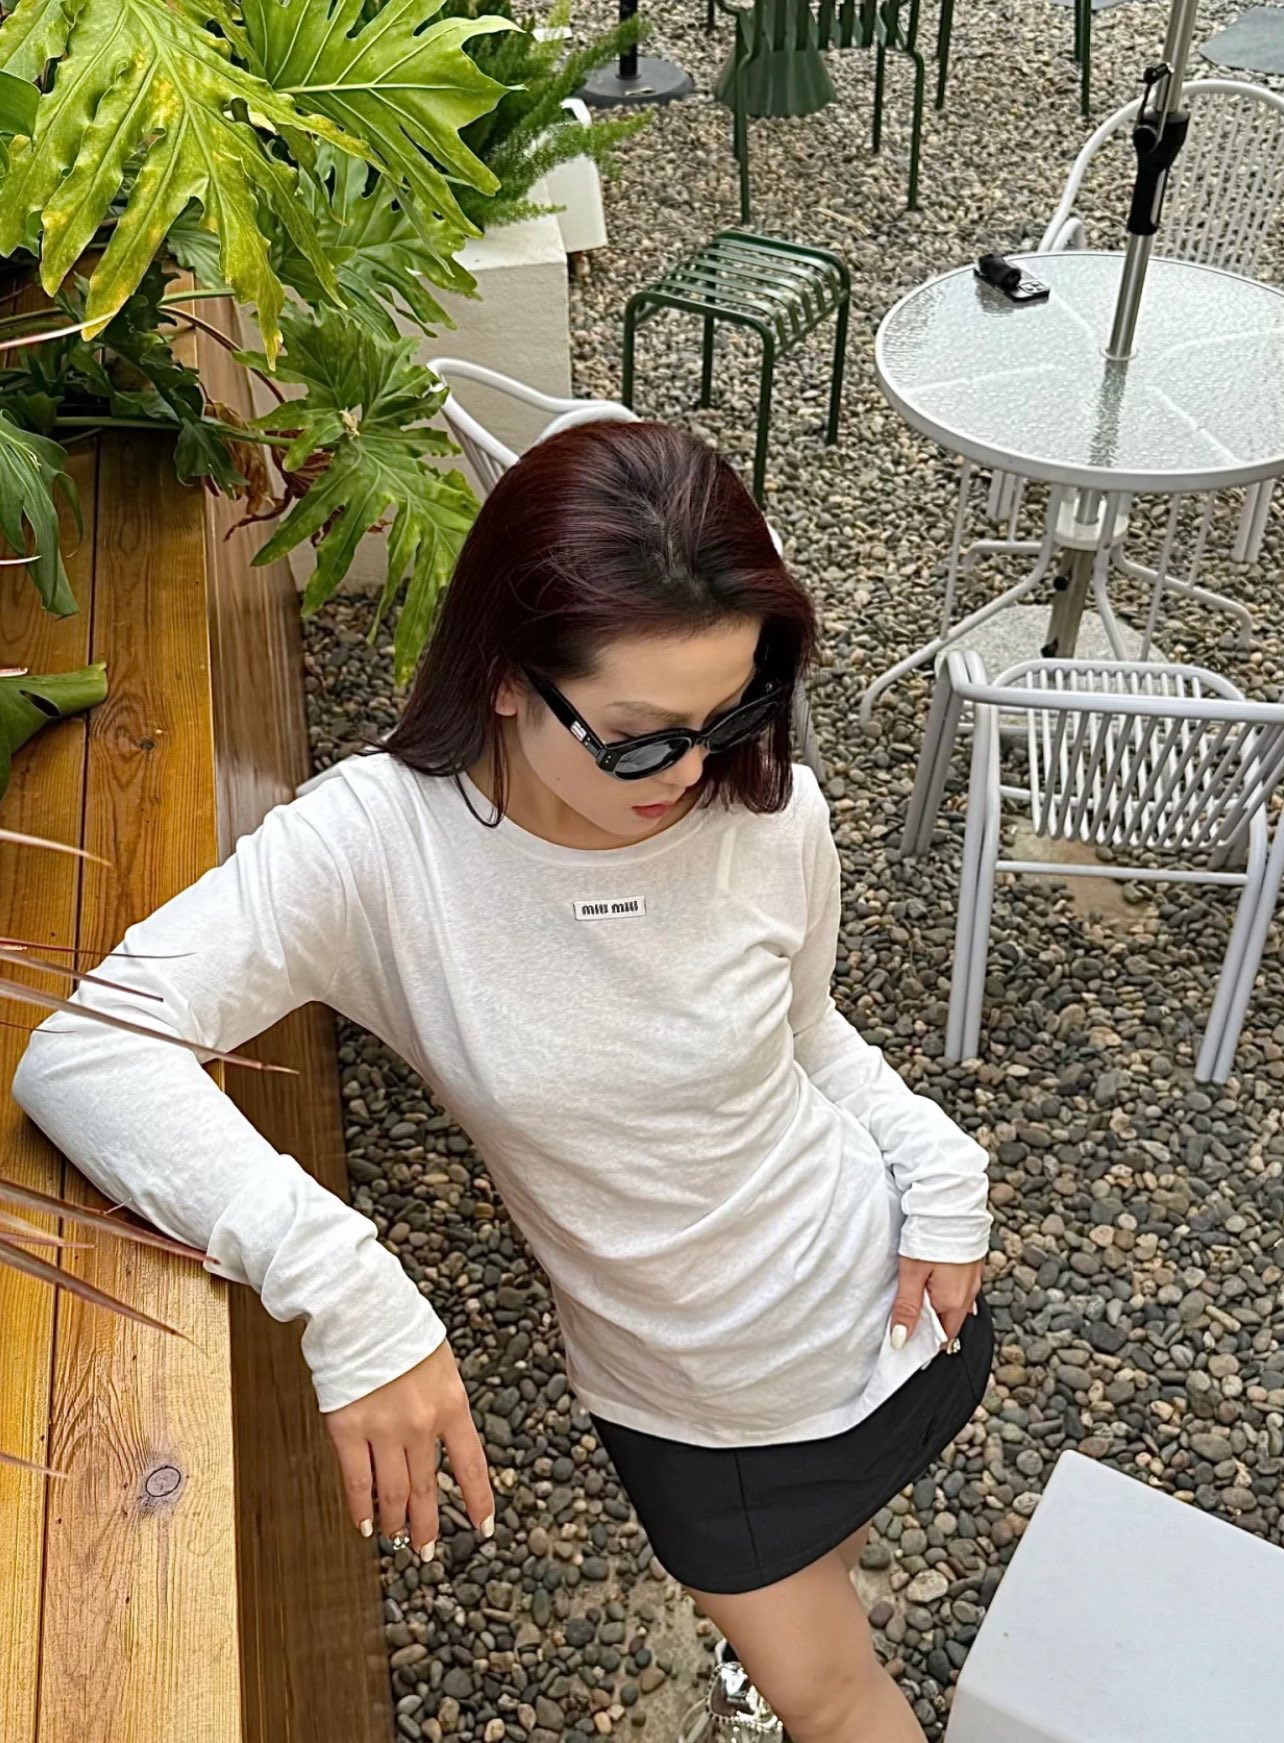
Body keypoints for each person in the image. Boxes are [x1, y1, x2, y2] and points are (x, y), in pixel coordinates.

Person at [12, 420, 994, 1743]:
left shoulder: (771, 812)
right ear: (508, 677)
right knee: (830, 1692)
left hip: (893, 1299)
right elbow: (89, 1051)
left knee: (824, 1658)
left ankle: (782, 1642)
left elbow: (804, 1035)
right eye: (641, 737)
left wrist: (934, 1163)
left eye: (735, 711)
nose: (695, 772)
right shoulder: (381, 851)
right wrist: (349, 1289)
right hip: (704, 1412)